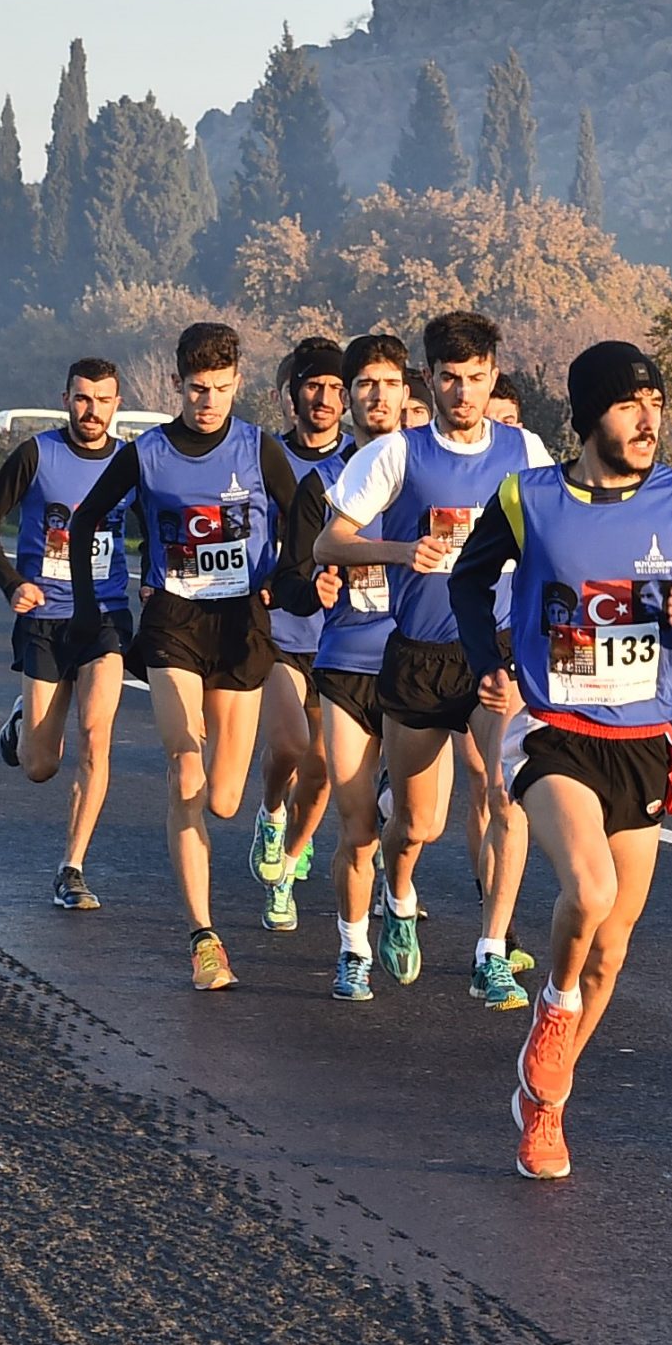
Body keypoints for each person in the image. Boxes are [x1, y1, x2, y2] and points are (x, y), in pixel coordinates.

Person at [452, 340, 672, 1181]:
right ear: (590, 416)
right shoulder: (529, 497)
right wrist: (488, 660)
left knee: (614, 946)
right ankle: (552, 1009)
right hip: (550, 725)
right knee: (588, 891)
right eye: (630, 403)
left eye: (657, 401)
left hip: (642, 741)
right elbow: (467, 581)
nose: (649, 417)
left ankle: (544, 1103)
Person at [317, 310, 554, 1011]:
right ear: (429, 377)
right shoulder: (395, 454)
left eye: (476, 378)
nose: (463, 392)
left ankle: (490, 952)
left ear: (492, 375)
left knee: (507, 793)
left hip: (496, 653)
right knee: (415, 823)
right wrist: (400, 552)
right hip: (418, 655)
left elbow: (556, 531)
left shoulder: (524, 450)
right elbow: (331, 543)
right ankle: (393, 895)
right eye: (449, 378)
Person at [64, 322, 303, 990]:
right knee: (185, 767)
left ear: (237, 383)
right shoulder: (148, 454)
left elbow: (304, 510)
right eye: (197, 389)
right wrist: (87, 607)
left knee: (225, 797)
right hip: (173, 619)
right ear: (176, 384)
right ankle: (204, 936)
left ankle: (264, 813)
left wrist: (290, 575)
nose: (209, 401)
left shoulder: (257, 448)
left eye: (221, 389)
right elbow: (84, 521)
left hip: (240, 624)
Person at [0, 357, 135, 912]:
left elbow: (159, 529)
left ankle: (72, 867)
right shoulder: (40, 453)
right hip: (43, 617)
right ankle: (22, 724)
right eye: (83, 399)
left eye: (103, 400)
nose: (93, 411)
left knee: (96, 734)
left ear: (117, 404)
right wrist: (12, 583)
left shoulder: (131, 461)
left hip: (104, 616)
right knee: (41, 765)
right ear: (66, 399)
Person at [283, 333, 407, 999]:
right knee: (356, 823)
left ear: (407, 393)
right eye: (364, 384)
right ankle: (353, 946)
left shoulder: (429, 471)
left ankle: (405, 895)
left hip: (419, 662)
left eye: (389, 383)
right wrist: (318, 589)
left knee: (418, 823)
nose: (375, 396)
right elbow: (297, 576)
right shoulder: (321, 485)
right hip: (346, 661)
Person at [251, 338, 353, 934]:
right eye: (313, 386)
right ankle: (269, 814)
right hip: (276, 624)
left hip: (339, 633)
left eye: (336, 388)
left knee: (321, 765)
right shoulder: (265, 457)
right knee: (289, 743)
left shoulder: (360, 463)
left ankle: (286, 870)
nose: (325, 398)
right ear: (291, 396)